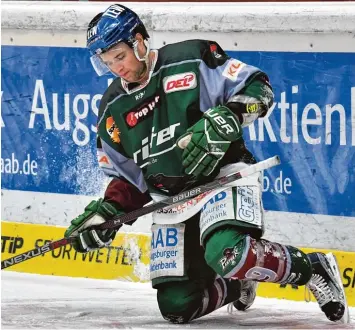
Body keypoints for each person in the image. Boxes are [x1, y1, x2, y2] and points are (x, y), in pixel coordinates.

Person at [65, 4, 349, 324]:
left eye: (119, 56)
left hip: (221, 178)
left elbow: (259, 89)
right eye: (107, 62)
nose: (117, 68)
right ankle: (236, 284)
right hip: (172, 203)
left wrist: (228, 117)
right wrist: (107, 214)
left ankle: (311, 269)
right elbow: (131, 181)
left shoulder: (192, 58)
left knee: (228, 252)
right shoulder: (112, 110)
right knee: (177, 305)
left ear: (140, 41)